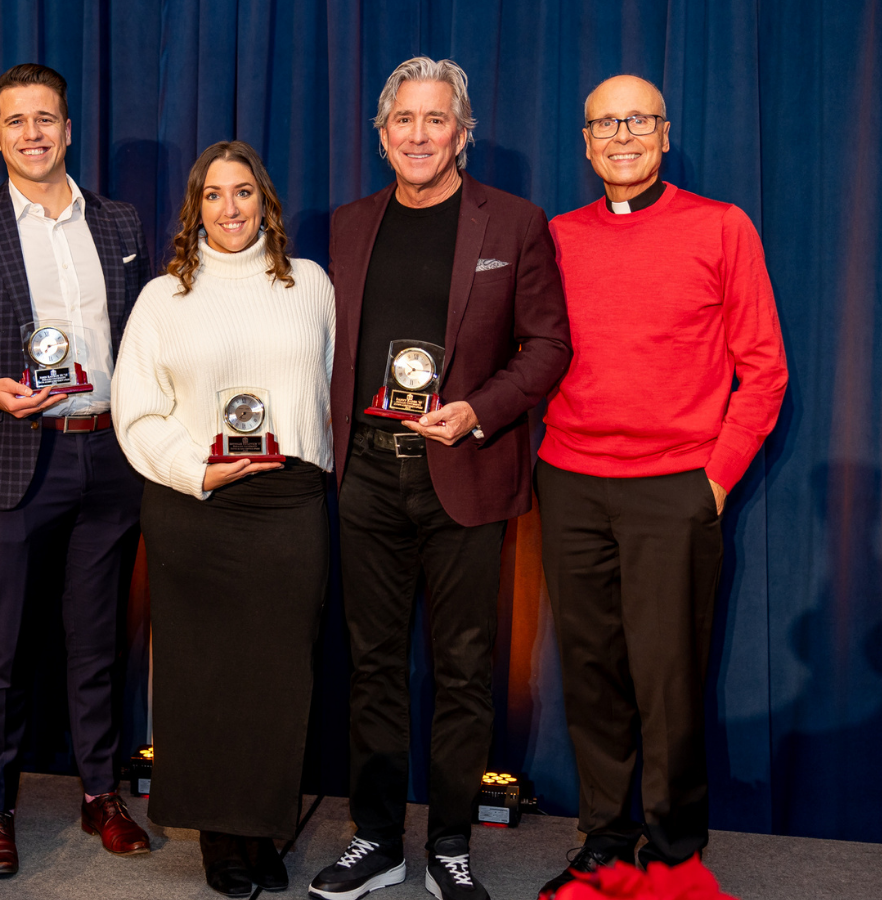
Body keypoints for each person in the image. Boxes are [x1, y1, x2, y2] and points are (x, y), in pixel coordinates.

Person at [309, 57, 571, 900]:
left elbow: (549, 346)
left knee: (464, 670)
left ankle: (450, 841)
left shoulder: (515, 223)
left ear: (463, 132)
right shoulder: (347, 225)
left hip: (466, 471)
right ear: (382, 134)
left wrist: (478, 411)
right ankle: (378, 838)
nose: (419, 136)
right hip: (366, 481)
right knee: (373, 666)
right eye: (404, 121)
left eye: (436, 120)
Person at [535, 75, 787, 897]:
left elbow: (765, 370)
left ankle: (674, 854)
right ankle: (606, 842)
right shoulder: (556, 236)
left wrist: (713, 482)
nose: (622, 134)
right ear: (585, 141)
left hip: (675, 488)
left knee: (670, 678)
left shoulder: (721, 226)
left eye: (638, 119)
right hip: (570, 482)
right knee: (592, 672)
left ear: (665, 133)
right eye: (605, 122)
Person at [0, 63, 153, 876]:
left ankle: (99, 793)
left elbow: (148, 337)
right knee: (4, 650)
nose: (32, 134)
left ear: (66, 127)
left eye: (45, 118)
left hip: (110, 457)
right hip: (14, 459)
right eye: (15, 121)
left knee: (95, 643)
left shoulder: (121, 224)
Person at [112, 141, 335, 897]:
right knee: (200, 677)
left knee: (277, 678)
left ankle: (260, 826)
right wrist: (194, 470)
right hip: (194, 504)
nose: (229, 208)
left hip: (289, 506)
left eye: (243, 192)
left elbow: (330, 392)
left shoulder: (311, 285)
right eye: (213, 195)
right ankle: (217, 836)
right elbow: (134, 410)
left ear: (264, 200)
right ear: (194, 207)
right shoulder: (162, 296)